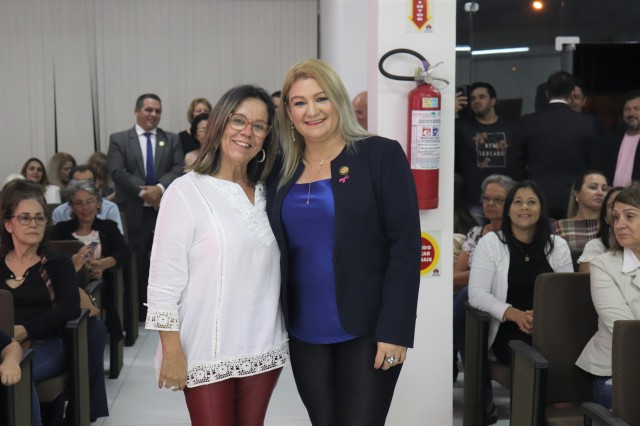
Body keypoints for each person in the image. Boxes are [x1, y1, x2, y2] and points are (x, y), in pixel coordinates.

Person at [266, 59, 421, 426]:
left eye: (321, 98)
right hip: (304, 329)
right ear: (288, 112)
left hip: (368, 328)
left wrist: (396, 330)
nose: (312, 111)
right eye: (299, 102)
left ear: (338, 101)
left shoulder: (380, 155)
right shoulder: (278, 169)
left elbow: (405, 248)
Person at [145, 85, 287, 425]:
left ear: (267, 136)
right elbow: (164, 281)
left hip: (263, 345)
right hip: (205, 348)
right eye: (238, 120)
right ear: (220, 123)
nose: (247, 132)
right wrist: (171, 350)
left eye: (258, 126)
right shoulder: (185, 191)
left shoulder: (272, 193)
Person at [468, 180, 573, 422]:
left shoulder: (557, 246)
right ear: (508, 210)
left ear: (541, 209)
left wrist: (541, 319)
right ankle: (532, 418)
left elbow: (564, 294)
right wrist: (514, 314)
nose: (524, 207)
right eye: (518, 202)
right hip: (507, 329)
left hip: (548, 327)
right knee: (531, 358)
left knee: (560, 356)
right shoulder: (491, 244)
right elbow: (477, 294)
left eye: (531, 202)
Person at [0, 179, 81, 426]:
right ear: (8, 224)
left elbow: (70, 308)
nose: (33, 224)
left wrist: (26, 329)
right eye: (25, 218)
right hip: (3, 343)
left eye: (39, 218)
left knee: (19, 375)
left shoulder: (57, 263)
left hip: (46, 343)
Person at [50, 179, 129, 421]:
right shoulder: (61, 230)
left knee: (92, 330)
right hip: (66, 289)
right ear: (71, 206)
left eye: (89, 202)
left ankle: (83, 402)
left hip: (98, 289)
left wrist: (103, 263)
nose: (85, 208)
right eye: (79, 203)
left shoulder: (107, 227)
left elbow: (123, 253)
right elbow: (52, 261)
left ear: (98, 203)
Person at [107, 93, 183, 320]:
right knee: (135, 265)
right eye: (149, 110)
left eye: (157, 111)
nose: (153, 114)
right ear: (137, 111)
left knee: (165, 263)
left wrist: (159, 188)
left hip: (164, 211)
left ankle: (164, 311)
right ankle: (136, 313)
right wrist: (145, 192)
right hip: (133, 211)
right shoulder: (119, 139)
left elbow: (178, 168)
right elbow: (117, 171)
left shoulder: (172, 139)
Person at [576, 185, 640, 409]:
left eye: (629, 216)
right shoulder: (603, 265)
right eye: (616, 217)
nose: (619, 224)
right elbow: (627, 330)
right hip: (618, 371)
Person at [452, 174, 515, 382]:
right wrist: (484, 274)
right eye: (486, 198)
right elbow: (454, 277)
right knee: (467, 311)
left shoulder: (514, 235)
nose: (490, 204)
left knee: (466, 296)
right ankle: (480, 395)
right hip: (472, 299)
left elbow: (504, 274)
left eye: (498, 200)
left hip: (502, 296)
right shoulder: (476, 233)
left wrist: (480, 275)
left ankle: (445, 339)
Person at [520, 71, 602, 219]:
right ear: (571, 94)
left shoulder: (528, 122)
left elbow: (519, 162)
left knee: (540, 234)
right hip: (574, 199)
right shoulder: (588, 123)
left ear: (547, 93)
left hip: (537, 196)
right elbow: (595, 164)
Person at [455, 82, 526, 223]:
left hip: (507, 200)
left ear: (493, 101)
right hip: (475, 201)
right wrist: (449, 112)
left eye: (481, 97)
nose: (476, 101)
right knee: (477, 236)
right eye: (473, 98)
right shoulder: (461, 127)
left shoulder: (513, 127)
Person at [51, 165, 124, 234]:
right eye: (78, 183)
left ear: (96, 184)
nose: (83, 187)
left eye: (88, 182)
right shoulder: (59, 212)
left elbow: (117, 237)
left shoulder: (110, 208)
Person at [551, 171, 608, 251]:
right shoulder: (560, 227)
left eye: (604, 189)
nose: (600, 193)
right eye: (593, 187)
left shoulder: (611, 225)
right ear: (576, 193)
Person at [577, 186, 623, 272]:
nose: (618, 212)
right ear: (605, 217)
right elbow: (588, 279)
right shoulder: (596, 246)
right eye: (613, 205)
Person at [604, 90, 640, 186]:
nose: (631, 113)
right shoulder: (612, 139)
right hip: (611, 193)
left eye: (637, 108)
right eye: (627, 109)